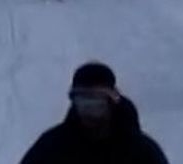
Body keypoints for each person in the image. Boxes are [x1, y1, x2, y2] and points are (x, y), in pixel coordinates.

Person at [19, 61, 169, 164]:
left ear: (112, 102)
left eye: (96, 103)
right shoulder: (52, 147)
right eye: (82, 103)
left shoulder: (142, 152)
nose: (88, 112)